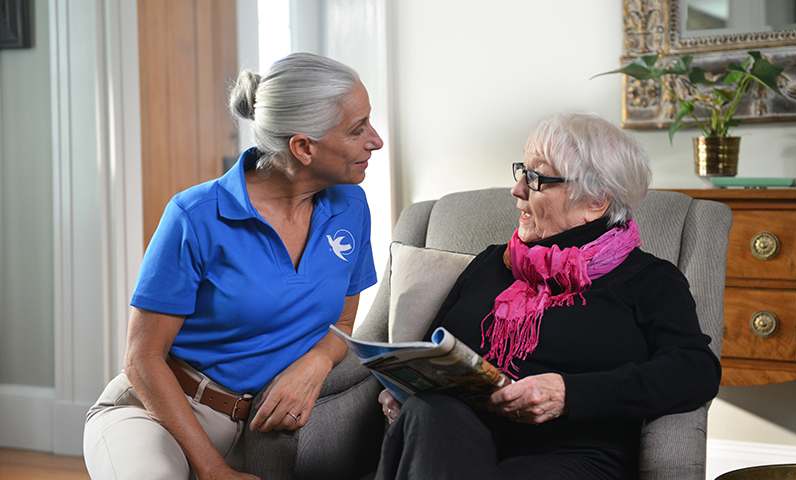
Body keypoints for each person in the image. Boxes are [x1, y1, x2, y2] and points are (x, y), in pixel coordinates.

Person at [83, 53, 383, 480]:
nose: (376, 140)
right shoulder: (195, 215)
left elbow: (345, 320)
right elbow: (142, 357)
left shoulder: (350, 205)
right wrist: (211, 469)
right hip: (162, 413)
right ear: (303, 147)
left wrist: (317, 360)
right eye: (358, 129)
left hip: (257, 427)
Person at [375, 112, 720, 480]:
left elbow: (695, 370)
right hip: (460, 438)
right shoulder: (494, 262)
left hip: (572, 454)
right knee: (428, 413)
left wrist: (569, 393)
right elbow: (432, 348)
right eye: (522, 171)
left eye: (537, 178)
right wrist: (404, 389)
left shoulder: (648, 279)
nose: (518, 189)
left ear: (596, 201)